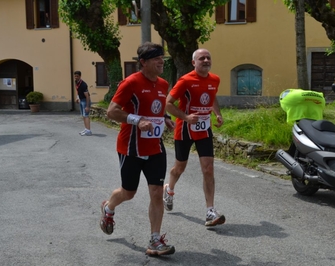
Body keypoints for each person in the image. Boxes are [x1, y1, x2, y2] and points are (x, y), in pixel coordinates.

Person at [99, 42, 175, 256]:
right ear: (143, 62)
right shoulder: (130, 83)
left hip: (155, 147)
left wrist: (166, 118)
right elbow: (112, 112)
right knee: (128, 193)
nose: (161, 61)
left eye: (162, 57)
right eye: (156, 58)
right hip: (131, 148)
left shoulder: (162, 83)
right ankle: (108, 208)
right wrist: (136, 119)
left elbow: (157, 107)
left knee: (157, 193)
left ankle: (155, 240)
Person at [164, 48, 225, 227]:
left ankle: (210, 211)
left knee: (208, 168)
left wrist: (218, 114)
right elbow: (168, 104)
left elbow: (212, 97)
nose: (206, 60)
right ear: (194, 63)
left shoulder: (215, 79)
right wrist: (186, 117)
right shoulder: (185, 81)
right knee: (179, 167)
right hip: (185, 129)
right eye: (201, 58)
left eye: (208, 57)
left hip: (204, 129)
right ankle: (170, 188)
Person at [74, 71, 92, 136]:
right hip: (81, 100)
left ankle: (88, 131)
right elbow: (78, 91)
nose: (76, 77)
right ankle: (86, 129)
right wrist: (77, 98)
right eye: (75, 76)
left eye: (77, 76)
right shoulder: (77, 83)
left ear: (80, 76)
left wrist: (87, 106)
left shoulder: (83, 84)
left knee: (86, 115)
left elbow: (87, 96)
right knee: (83, 116)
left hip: (85, 101)